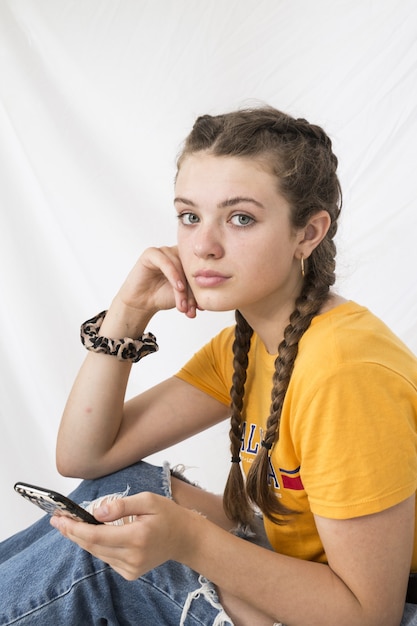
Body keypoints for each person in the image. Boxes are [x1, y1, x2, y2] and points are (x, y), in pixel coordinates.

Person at [1, 106, 417, 626]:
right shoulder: (248, 344)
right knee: (118, 493)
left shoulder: (344, 371)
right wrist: (126, 313)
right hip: (305, 574)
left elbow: (369, 614)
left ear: (307, 234)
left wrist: (190, 539)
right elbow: (87, 455)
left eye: (240, 218)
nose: (203, 245)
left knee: (98, 564)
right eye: (190, 216)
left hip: (382, 610)